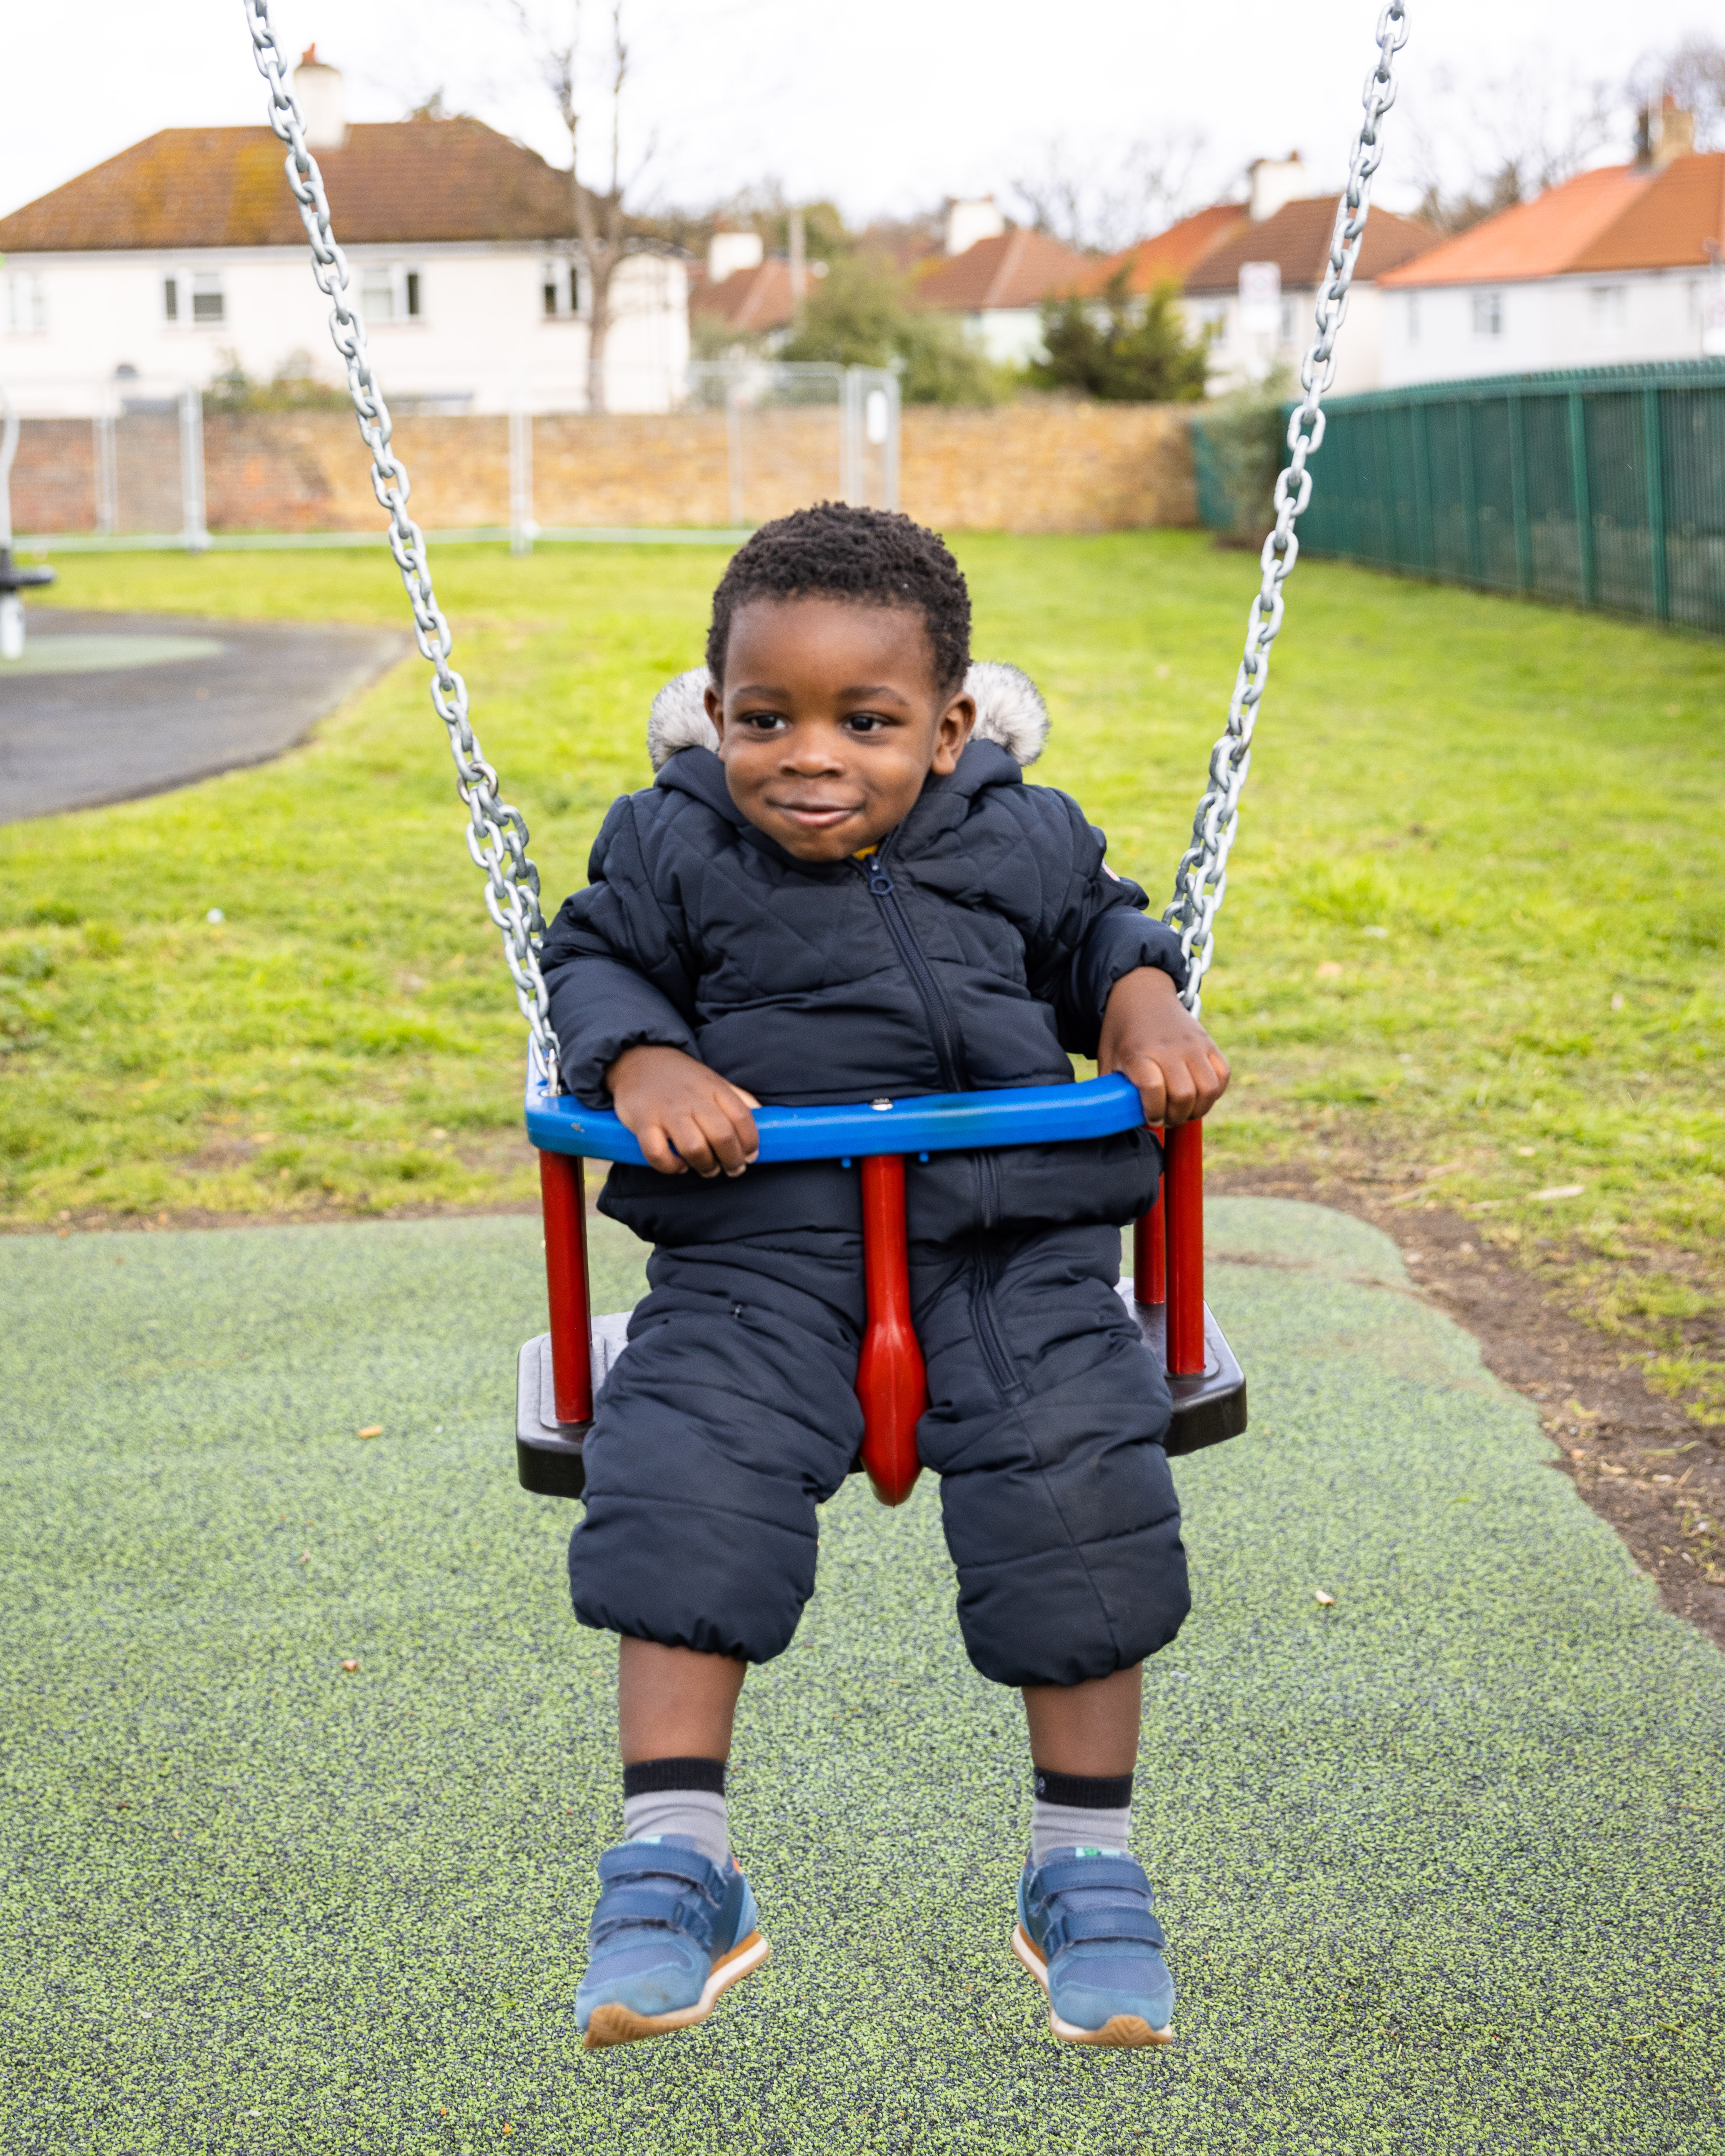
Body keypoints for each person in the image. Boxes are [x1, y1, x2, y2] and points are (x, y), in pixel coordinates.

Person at [540, 503, 1229, 2052]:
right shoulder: (666, 843)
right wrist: (642, 1053)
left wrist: (1137, 1011)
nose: (810, 755)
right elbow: (592, 961)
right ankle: (673, 1858)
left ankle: (1086, 1869)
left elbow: (1102, 937)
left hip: (1010, 1240)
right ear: (713, 712)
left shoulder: (1023, 834)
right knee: (678, 1464)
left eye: (867, 720)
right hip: (760, 1252)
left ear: (949, 724)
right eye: (764, 717)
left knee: (1080, 1480)